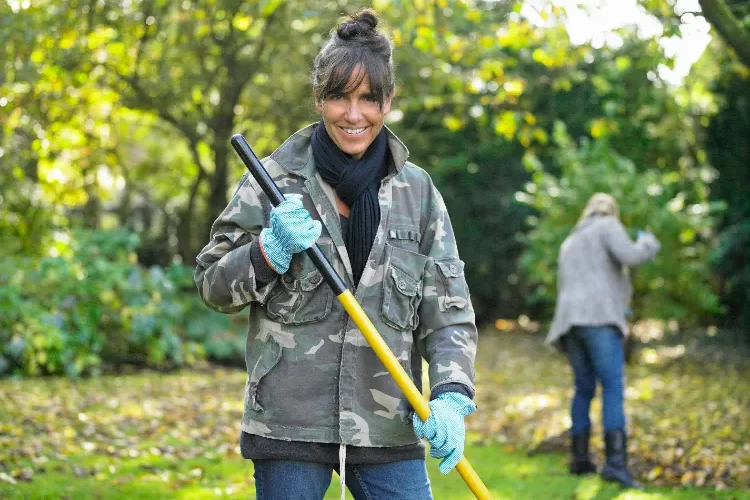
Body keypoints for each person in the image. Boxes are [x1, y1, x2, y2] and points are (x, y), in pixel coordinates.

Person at [194, 9, 478, 500]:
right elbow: (213, 286)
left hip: (389, 425)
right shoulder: (273, 181)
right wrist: (268, 250)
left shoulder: (417, 192)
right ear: (319, 99)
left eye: (369, 98)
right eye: (339, 97)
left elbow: (448, 313)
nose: (353, 114)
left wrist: (451, 396)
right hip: (288, 426)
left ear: (388, 101)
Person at [546, 193, 661, 489]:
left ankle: (580, 459)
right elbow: (632, 256)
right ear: (611, 210)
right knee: (612, 386)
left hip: (570, 323)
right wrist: (648, 242)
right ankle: (615, 465)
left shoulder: (570, 241)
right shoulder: (608, 225)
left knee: (583, 388)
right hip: (598, 319)